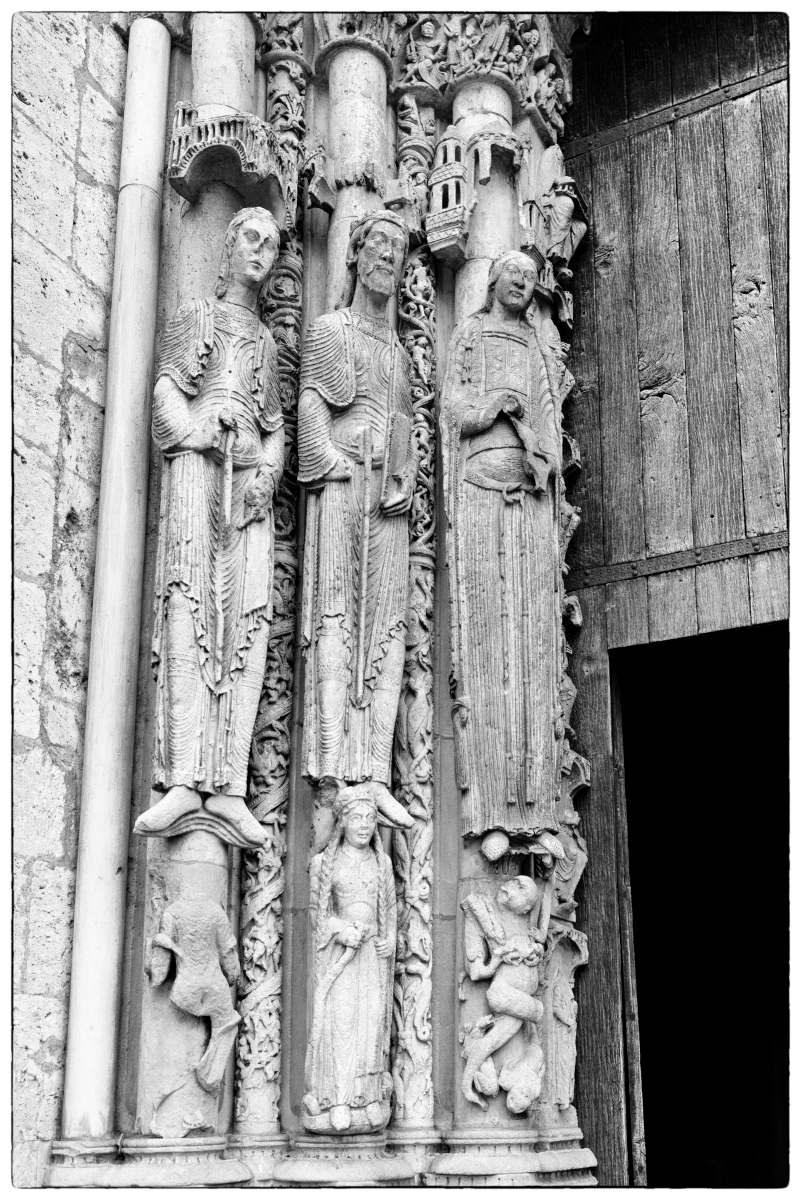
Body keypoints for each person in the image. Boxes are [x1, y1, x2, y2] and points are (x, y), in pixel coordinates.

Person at [135, 207, 284, 848]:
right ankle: (181, 780)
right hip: (198, 475)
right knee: (190, 608)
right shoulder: (195, 317)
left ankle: (226, 786)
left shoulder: (268, 344)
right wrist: (197, 431)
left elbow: (276, 427)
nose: (262, 252)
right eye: (251, 238)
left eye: (272, 245)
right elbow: (167, 392)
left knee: (247, 623)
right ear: (227, 248)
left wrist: (268, 475)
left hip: (246, 488)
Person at [441, 250, 565, 844]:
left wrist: (544, 458)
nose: (524, 282)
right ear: (492, 279)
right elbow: (452, 408)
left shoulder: (535, 346)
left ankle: (535, 807)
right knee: (491, 646)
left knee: (533, 650)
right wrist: (492, 407)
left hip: (530, 508)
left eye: (531, 278)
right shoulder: (469, 334)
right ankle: (489, 808)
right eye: (514, 273)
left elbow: (547, 417)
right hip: (480, 500)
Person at [298, 211, 417, 806]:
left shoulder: (398, 353)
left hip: (385, 503)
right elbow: (313, 414)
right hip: (342, 488)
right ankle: (330, 762)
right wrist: (335, 461)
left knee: (389, 623)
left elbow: (402, 427)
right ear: (354, 254)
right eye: (377, 245)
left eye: (398, 250)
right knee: (336, 614)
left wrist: (404, 475)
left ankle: (374, 771)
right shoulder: (329, 331)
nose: (387, 257)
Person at [303, 785, 397, 1133]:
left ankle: (369, 1098)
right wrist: (340, 930)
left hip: (372, 954)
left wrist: (390, 938)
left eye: (370, 818)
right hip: (341, 955)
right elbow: (318, 915)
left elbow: (389, 907)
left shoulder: (381, 862)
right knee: (341, 1024)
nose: (364, 825)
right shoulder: (323, 865)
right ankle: (338, 1100)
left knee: (372, 1024)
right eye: (356, 817)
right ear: (341, 821)